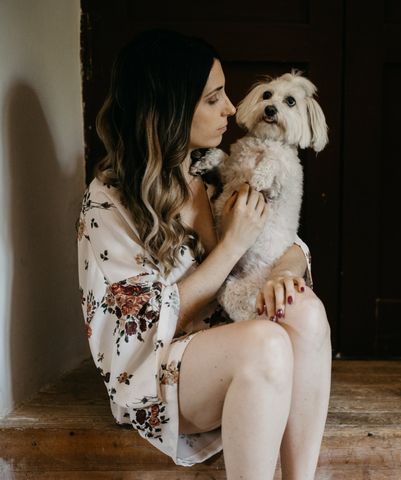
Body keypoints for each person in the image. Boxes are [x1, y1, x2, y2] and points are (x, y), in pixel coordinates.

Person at [76, 29, 332, 479]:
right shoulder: (108, 204)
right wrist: (230, 247)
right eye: (214, 99)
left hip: (238, 354)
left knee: (305, 311)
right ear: (171, 111)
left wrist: (287, 269)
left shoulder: (210, 170)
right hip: (157, 376)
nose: (232, 109)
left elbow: (277, 236)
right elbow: (143, 329)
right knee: (267, 343)